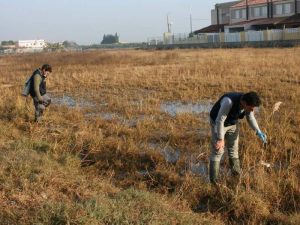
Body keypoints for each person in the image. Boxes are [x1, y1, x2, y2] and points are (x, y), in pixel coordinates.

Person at [209, 92, 267, 185]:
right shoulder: (228, 102)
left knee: (233, 150)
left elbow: (250, 117)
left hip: (232, 124)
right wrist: (220, 139)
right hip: (218, 123)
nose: (252, 110)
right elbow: (220, 120)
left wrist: (258, 131)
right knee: (218, 150)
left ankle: (236, 176)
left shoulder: (247, 103)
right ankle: (214, 181)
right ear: (244, 103)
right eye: (251, 107)